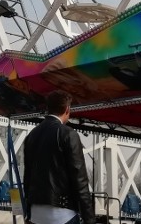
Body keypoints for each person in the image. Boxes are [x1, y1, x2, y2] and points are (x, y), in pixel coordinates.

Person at [23, 90, 94, 224]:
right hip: (62, 214)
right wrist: (89, 219)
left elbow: (27, 177)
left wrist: (28, 211)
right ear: (67, 109)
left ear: (47, 108)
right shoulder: (68, 134)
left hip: (36, 214)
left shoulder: (31, 135)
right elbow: (80, 180)